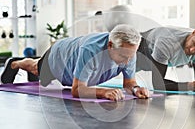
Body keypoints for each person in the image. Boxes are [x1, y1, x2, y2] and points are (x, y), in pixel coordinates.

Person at [0, 24, 149, 101]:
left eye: (132, 55)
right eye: (124, 56)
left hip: (73, 58)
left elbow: (129, 83)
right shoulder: (91, 51)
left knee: (37, 69)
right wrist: (103, 92)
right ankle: (15, 64)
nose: (129, 60)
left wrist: (136, 90)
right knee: (35, 68)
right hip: (60, 56)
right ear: (110, 46)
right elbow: (77, 90)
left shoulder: (128, 51)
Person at [136, 25, 195, 91]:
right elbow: (158, 84)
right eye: (193, 43)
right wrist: (189, 86)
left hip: (153, 59)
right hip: (139, 50)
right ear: (194, 32)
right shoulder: (167, 42)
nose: (192, 50)